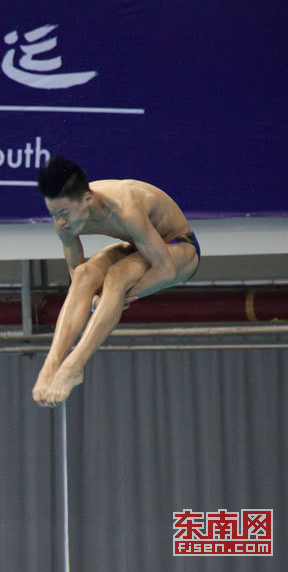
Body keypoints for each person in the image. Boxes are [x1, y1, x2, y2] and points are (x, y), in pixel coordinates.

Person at [32, 156, 200, 407]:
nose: (60, 221)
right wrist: (93, 299)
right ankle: (52, 363)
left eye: (64, 212)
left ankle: (76, 364)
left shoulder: (125, 208)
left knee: (117, 276)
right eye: (54, 213)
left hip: (179, 250)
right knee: (83, 275)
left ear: (87, 199)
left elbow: (165, 270)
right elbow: (78, 278)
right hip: (140, 247)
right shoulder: (63, 222)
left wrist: (123, 296)